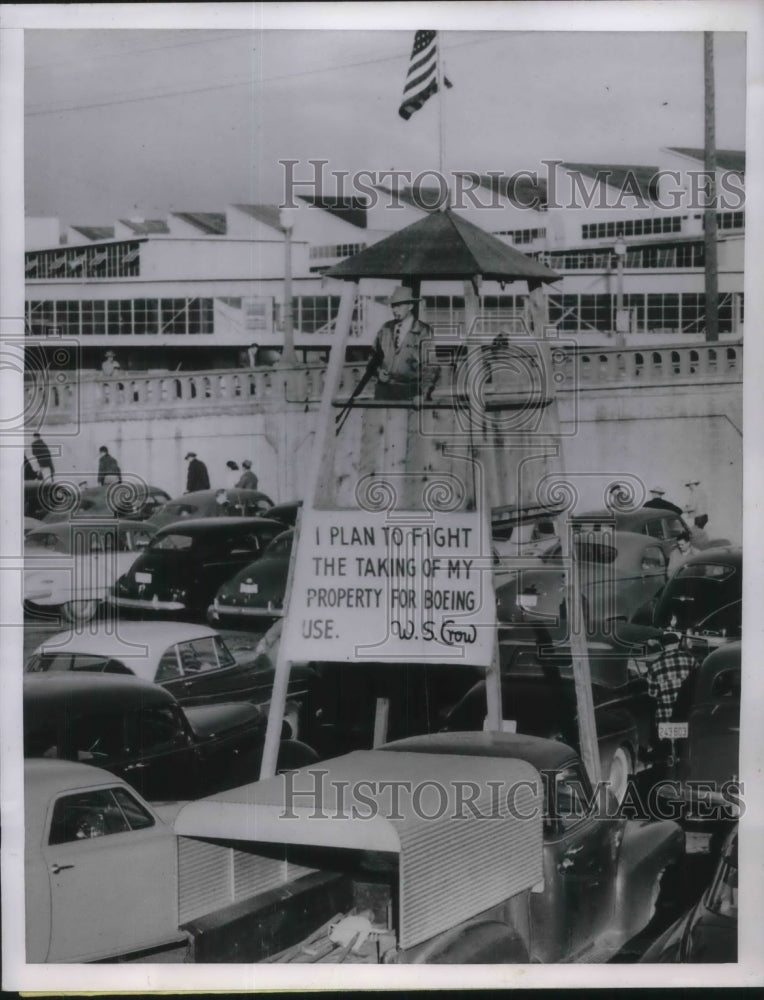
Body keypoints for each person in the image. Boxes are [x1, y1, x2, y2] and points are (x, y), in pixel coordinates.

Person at [369, 286, 441, 404]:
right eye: (393, 306)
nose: (395, 310)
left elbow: (431, 366)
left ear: (410, 306)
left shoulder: (422, 331)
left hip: (411, 396)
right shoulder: (385, 329)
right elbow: (373, 358)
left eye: (399, 306)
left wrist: (423, 393)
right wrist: (378, 372)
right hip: (383, 394)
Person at [644, 631, 698, 759]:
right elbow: (699, 682)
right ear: (678, 644)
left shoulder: (654, 666)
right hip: (687, 713)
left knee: (666, 750)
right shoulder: (690, 660)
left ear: (663, 647)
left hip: (666, 718)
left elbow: (652, 694)